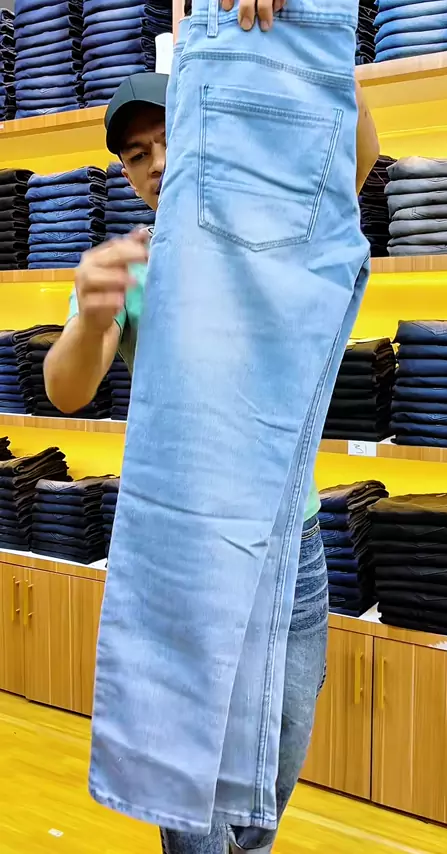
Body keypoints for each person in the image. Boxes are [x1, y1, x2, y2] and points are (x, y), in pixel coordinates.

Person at [44, 49, 378, 851]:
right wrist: (93, 315)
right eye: (136, 154)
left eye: (169, 138)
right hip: (183, 554)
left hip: (290, 543)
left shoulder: (272, 236)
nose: (156, 163)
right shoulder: (131, 266)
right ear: (126, 173)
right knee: (188, 785)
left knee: (272, 769)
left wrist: (317, 50)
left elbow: (356, 152)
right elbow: (65, 388)